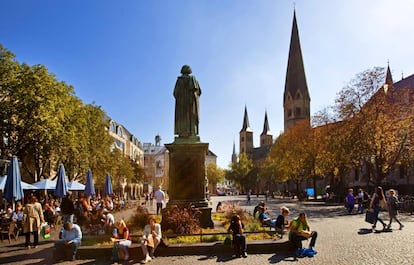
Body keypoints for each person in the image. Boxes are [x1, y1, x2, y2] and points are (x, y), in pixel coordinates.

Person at [173, 64, 201, 138]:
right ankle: (192, 132)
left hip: (181, 106)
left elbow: (175, 93)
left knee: (183, 118)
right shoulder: (193, 79)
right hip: (191, 104)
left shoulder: (179, 80)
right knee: (191, 117)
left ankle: (182, 133)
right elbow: (199, 92)